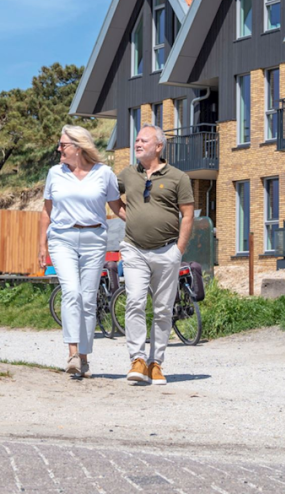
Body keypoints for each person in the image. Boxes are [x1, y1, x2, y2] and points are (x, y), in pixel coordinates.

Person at [39, 124, 125, 379]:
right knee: (72, 292)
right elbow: (46, 211)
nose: (59, 149)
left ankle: (85, 358)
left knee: (89, 299)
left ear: (78, 147)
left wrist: (143, 224)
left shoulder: (104, 173)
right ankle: (73, 354)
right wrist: (41, 245)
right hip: (62, 238)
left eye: (63, 145)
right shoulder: (55, 173)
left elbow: (117, 207)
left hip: (94, 237)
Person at [118, 124, 194, 386]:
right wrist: (125, 215)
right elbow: (110, 194)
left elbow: (187, 213)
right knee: (135, 302)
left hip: (167, 251)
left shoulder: (178, 177)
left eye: (143, 140)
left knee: (162, 309)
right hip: (134, 249)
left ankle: (155, 363)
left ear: (159, 146)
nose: (137, 143)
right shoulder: (128, 174)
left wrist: (179, 250)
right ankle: (137, 359)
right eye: (136, 140)